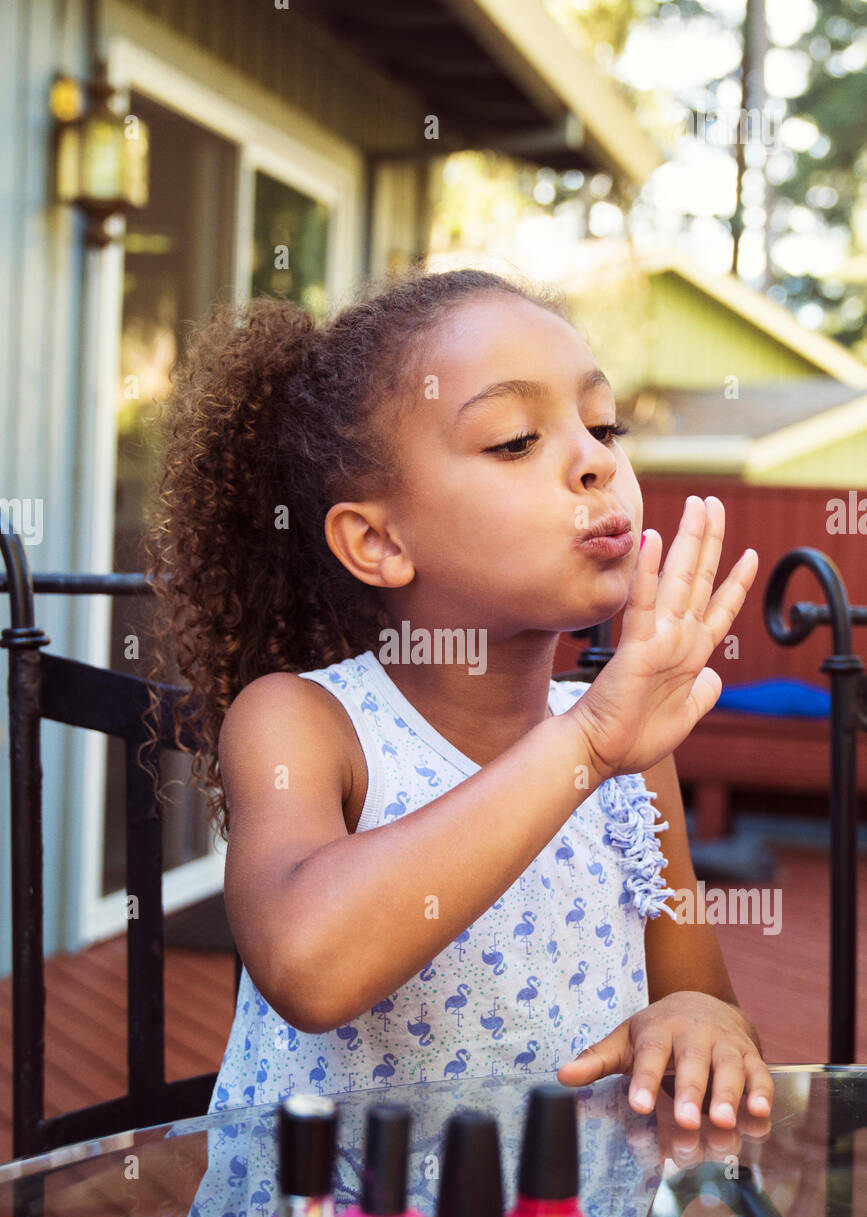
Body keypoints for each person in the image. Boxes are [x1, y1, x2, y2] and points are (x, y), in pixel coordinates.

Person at [143, 264, 773, 1138]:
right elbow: (308, 968)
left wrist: (699, 1023)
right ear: (378, 540)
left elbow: (703, 1005)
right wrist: (585, 744)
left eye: (602, 425)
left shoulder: (631, 753)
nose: (593, 460)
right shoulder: (307, 723)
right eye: (516, 440)